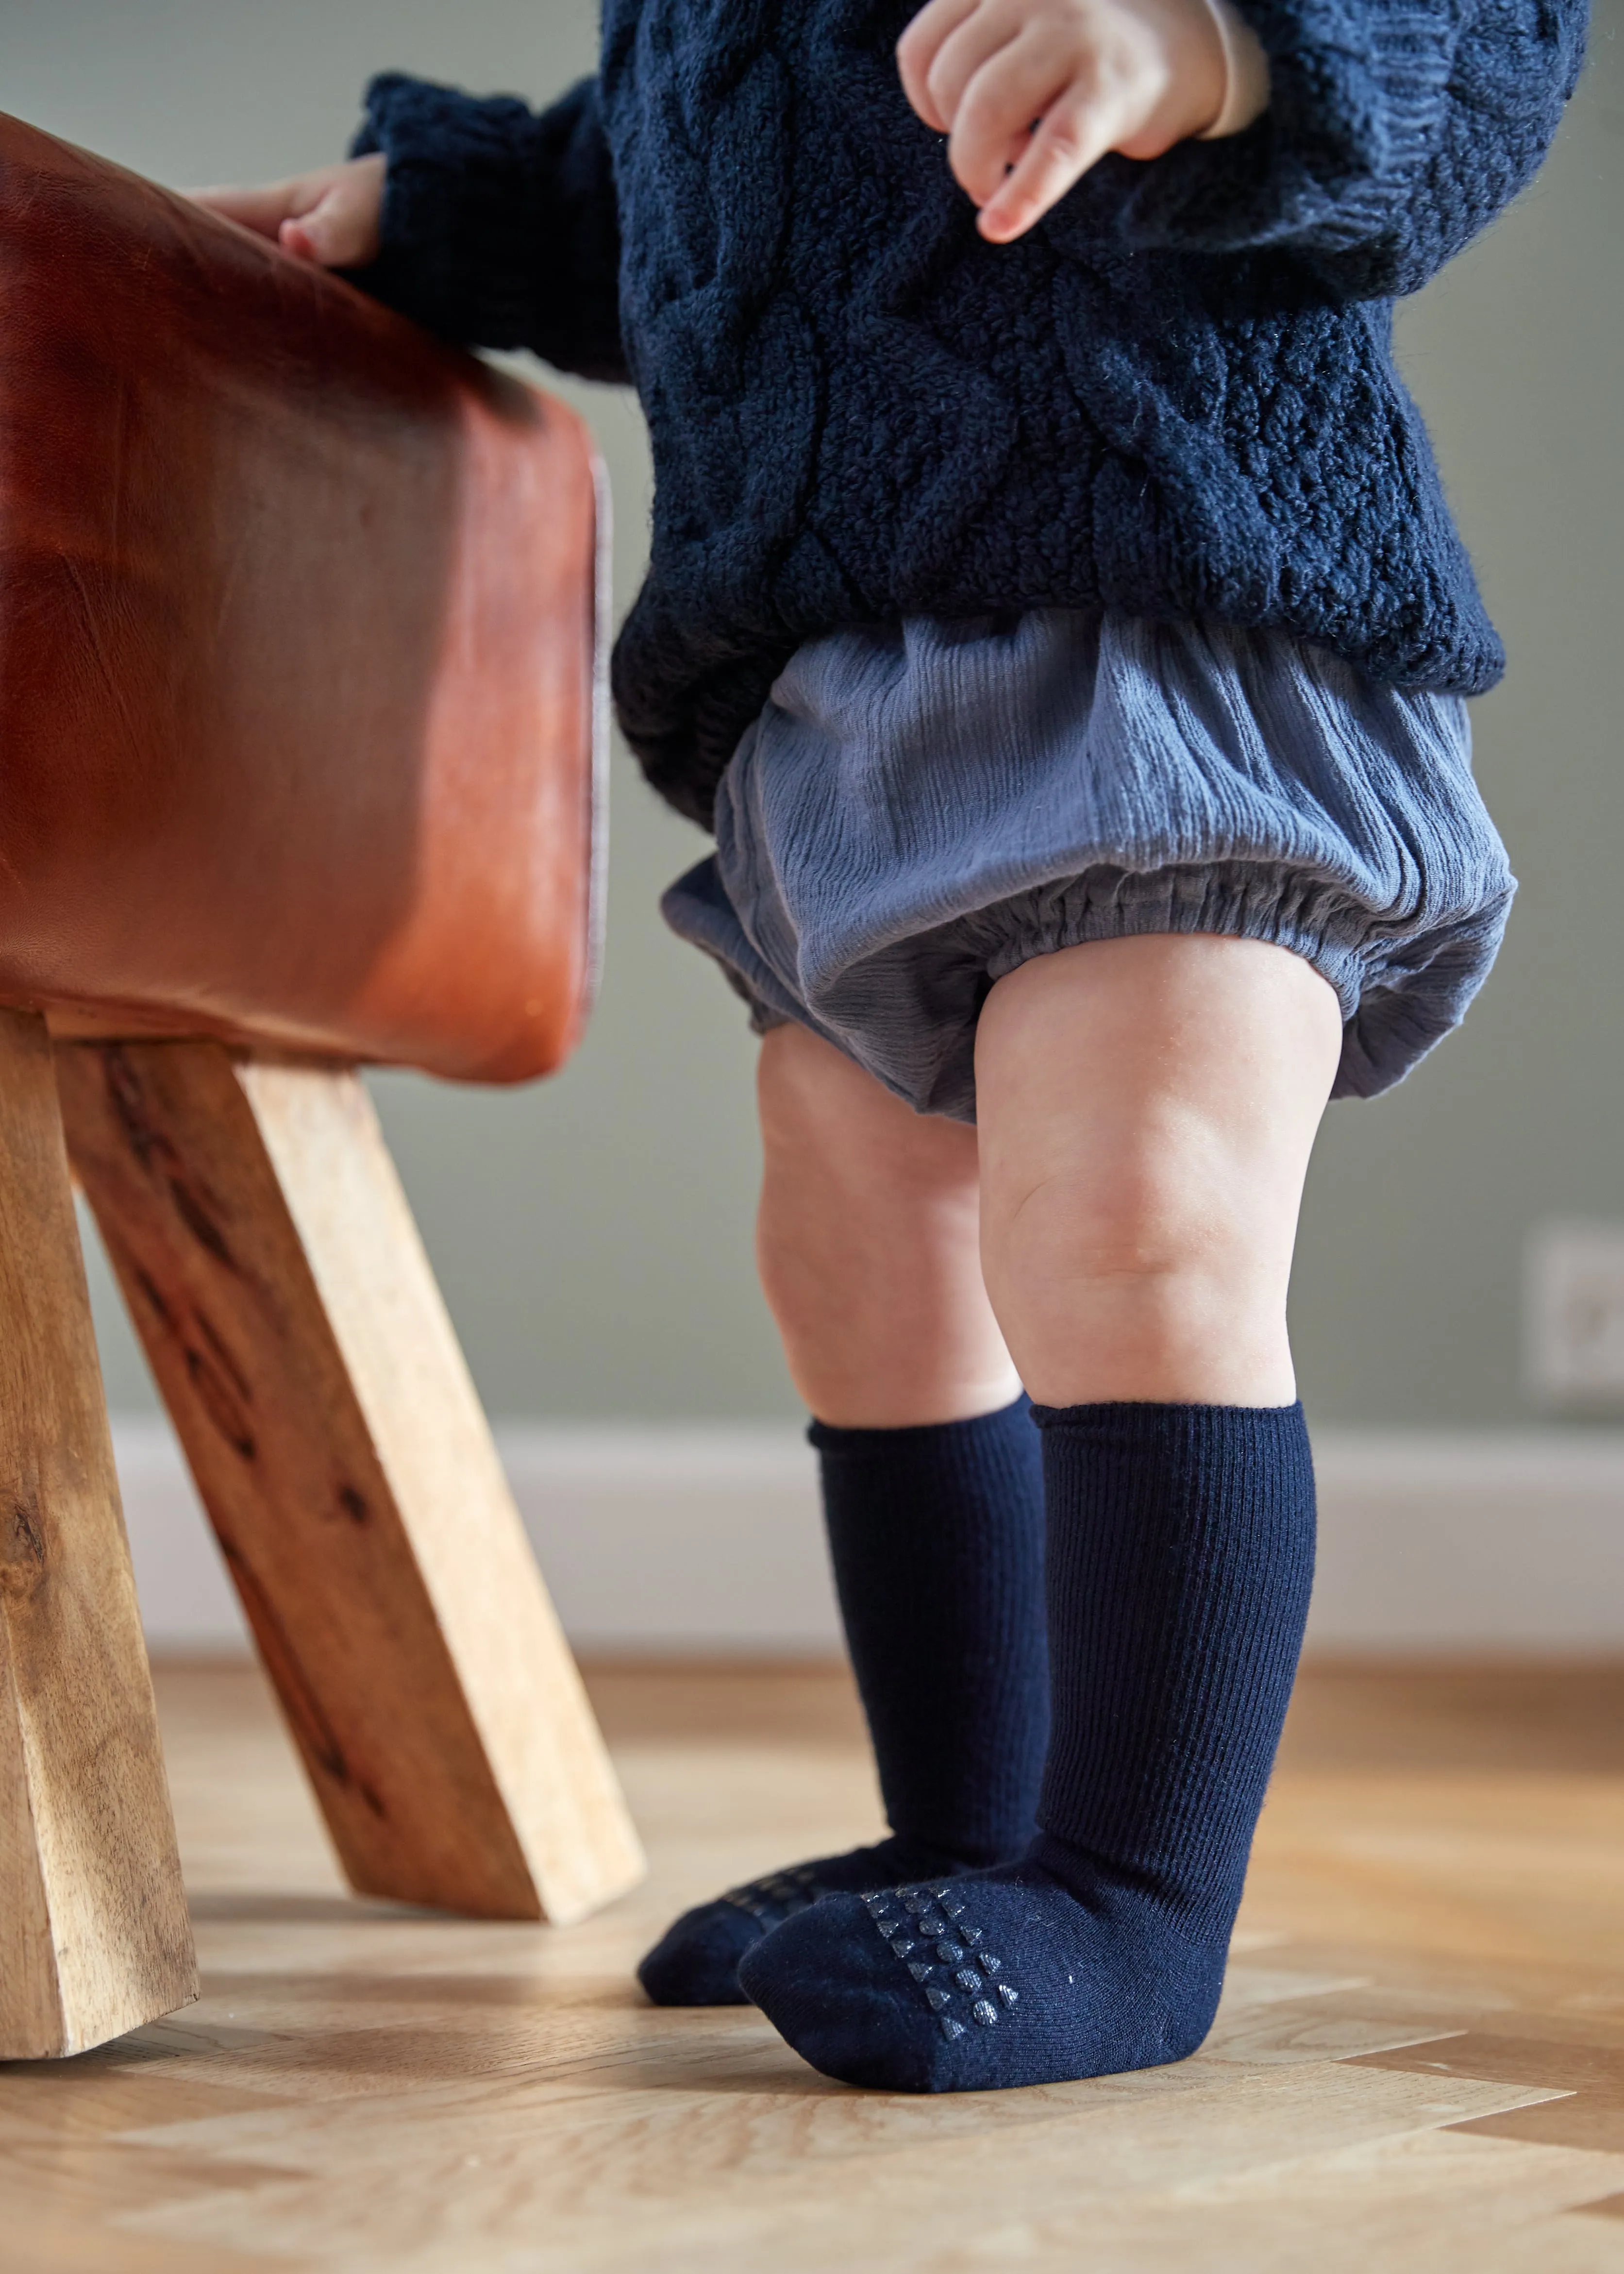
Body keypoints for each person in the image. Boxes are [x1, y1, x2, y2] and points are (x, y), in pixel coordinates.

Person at [193, 0, 1586, 2093]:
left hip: (1170, 611)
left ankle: (1128, 1894)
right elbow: (668, 194)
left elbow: (1485, 37)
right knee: (860, 1264)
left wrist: (1213, 44)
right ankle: (960, 1827)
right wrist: (444, 209)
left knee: (1127, 1220)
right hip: (829, 716)